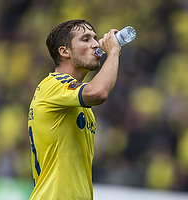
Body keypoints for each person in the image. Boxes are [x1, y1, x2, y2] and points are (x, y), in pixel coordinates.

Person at [27, 19, 121, 199]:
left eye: (95, 38)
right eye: (86, 39)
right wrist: (114, 52)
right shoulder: (52, 85)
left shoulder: (81, 106)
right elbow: (99, 92)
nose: (95, 44)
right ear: (64, 51)